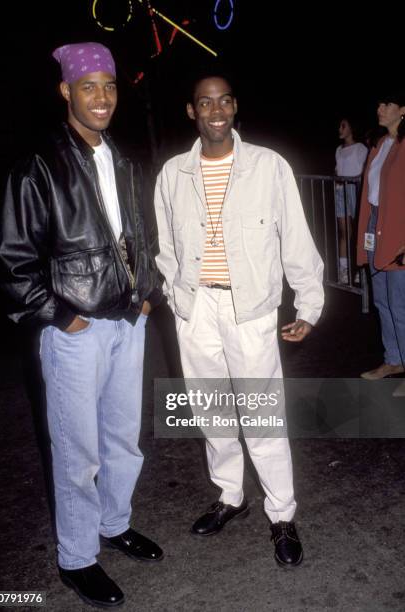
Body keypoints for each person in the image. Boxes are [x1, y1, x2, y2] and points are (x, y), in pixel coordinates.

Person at [0, 42, 164, 608]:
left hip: (127, 321)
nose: (102, 97)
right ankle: (77, 557)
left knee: (123, 440)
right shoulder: (40, 166)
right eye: (88, 86)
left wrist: (147, 293)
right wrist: (60, 316)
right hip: (75, 331)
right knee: (77, 451)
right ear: (65, 91)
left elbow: (140, 235)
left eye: (110, 86)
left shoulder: (120, 159)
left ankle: (114, 524)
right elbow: (13, 261)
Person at [154, 74, 324, 567]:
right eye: (204, 102)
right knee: (210, 410)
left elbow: (295, 238)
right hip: (195, 307)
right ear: (192, 111)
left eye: (223, 100)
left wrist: (308, 306)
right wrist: (176, 298)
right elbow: (166, 247)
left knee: (261, 414)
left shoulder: (268, 167)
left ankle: (282, 515)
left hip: (250, 308)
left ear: (234, 106)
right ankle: (231, 496)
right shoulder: (172, 174)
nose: (215, 110)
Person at [357, 92, 405, 380]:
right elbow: (371, 194)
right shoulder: (380, 145)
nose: (379, 108)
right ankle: (394, 359)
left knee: (399, 302)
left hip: (398, 229)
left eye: (386, 104)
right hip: (376, 225)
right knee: (382, 301)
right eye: (378, 104)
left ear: (402, 110)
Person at [335, 117, 367, 284]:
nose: (340, 129)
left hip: (354, 190)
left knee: (359, 231)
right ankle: (343, 270)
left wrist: (351, 180)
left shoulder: (360, 148)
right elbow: (337, 169)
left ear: (351, 128)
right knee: (344, 232)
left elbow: (363, 171)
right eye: (340, 126)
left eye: (343, 126)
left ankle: (360, 269)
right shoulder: (338, 150)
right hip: (340, 191)